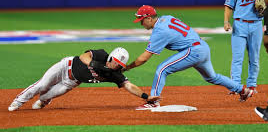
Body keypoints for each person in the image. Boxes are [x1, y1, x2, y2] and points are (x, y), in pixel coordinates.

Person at [125, 5, 253, 110]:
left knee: (162, 69)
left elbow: (144, 58)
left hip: (193, 51)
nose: (141, 23)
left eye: (141, 20)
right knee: (212, 77)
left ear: (149, 18)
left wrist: (127, 67)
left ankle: (153, 102)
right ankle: (243, 90)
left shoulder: (159, 31)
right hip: (202, 47)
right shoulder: (166, 18)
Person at [8, 47, 160, 111]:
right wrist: (95, 65)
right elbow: (83, 56)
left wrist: (146, 97)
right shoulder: (101, 55)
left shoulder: (115, 73)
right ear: (111, 56)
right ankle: (18, 101)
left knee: (45, 96)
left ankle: (45, 99)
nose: (116, 66)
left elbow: (129, 86)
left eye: (119, 64)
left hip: (72, 82)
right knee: (42, 85)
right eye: (115, 62)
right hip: (65, 66)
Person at [224, 0, 264, 94]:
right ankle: (235, 86)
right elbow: (228, 6)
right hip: (239, 25)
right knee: (237, 58)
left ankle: (252, 85)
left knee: (254, 58)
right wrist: (226, 21)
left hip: (256, 25)